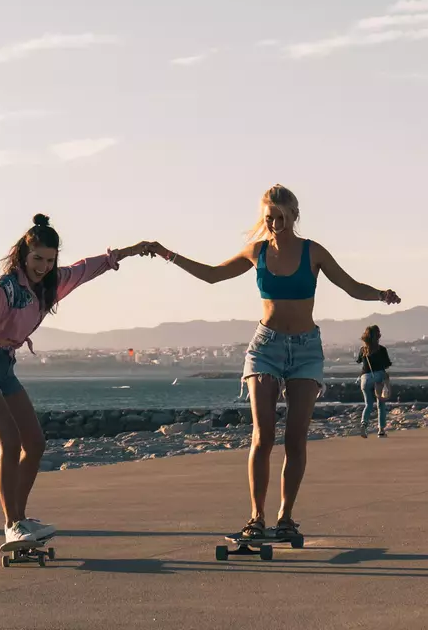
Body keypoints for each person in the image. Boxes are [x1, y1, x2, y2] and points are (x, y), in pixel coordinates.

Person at [143, 184, 401, 541]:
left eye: (282, 217)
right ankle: (256, 517)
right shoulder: (257, 251)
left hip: (306, 351)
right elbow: (213, 274)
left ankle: (285, 517)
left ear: (295, 215)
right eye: (270, 218)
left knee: (295, 440)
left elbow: (350, 286)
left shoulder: (313, 252)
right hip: (265, 347)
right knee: (262, 436)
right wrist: (168, 254)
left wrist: (380, 294)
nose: (276, 223)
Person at [0, 213, 149, 547]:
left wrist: (130, 251)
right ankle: (12, 523)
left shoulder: (51, 284)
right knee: (10, 443)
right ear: (23, 255)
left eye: (49, 260)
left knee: (35, 444)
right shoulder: (5, 289)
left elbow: (87, 268)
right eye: (37, 259)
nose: (43, 266)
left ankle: (20, 517)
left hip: (5, 367)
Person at [356, 324, 393, 438]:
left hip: (365, 379)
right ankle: (381, 430)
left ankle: (364, 424)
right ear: (378, 335)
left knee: (368, 404)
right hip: (379, 378)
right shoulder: (382, 349)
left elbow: (358, 361)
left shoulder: (363, 349)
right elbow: (387, 365)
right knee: (381, 404)